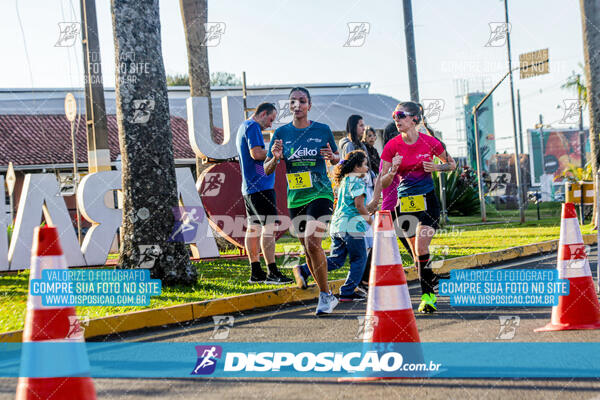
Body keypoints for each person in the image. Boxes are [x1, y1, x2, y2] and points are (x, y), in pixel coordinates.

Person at [264, 87, 340, 315]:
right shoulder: (280, 134)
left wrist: (333, 157)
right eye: (293, 101)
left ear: (309, 105)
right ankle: (326, 294)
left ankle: (325, 295)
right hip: (296, 198)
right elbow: (267, 169)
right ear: (290, 106)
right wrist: (276, 159)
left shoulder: (322, 130)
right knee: (308, 248)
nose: (298, 105)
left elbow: (336, 158)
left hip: (321, 193)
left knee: (313, 241)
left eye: (302, 101)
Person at [380, 102, 456, 314]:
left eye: (401, 115)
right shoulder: (391, 146)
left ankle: (428, 298)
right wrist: (392, 170)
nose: (397, 119)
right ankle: (431, 283)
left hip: (427, 201)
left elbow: (452, 164)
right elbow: (383, 182)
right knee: (417, 255)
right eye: (394, 115)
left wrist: (437, 167)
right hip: (404, 205)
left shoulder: (429, 142)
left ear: (414, 119)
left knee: (421, 248)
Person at [292, 150, 383, 301]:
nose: (367, 168)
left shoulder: (344, 181)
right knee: (359, 259)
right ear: (356, 166)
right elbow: (359, 206)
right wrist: (372, 223)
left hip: (337, 226)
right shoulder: (357, 181)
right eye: (365, 165)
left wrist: (371, 208)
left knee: (336, 260)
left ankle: (304, 270)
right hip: (352, 228)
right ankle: (347, 291)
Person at [236, 102, 293, 284]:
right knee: (269, 228)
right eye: (270, 119)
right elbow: (257, 154)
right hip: (261, 187)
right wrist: (276, 152)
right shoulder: (252, 126)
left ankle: (256, 272)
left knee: (254, 229)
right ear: (262, 114)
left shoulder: (243, 126)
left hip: (250, 187)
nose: (270, 124)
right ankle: (272, 272)